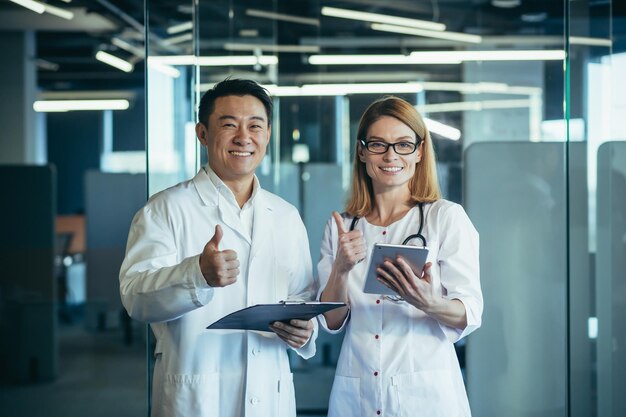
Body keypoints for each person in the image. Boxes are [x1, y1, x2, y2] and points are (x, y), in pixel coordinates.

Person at [119, 78, 318, 417]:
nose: (244, 137)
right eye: (229, 125)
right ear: (202, 134)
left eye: (255, 126)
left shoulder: (285, 216)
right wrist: (196, 274)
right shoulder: (165, 209)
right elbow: (135, 298)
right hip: (196, 398)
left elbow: (301, 298)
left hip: (270, 396)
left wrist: (304, 329)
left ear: (268, 135)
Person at [318, 96, 483, 417]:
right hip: (358, 392)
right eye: (378, 144)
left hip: (426, 395)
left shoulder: (445, 218)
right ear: (362, 152)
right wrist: (340, 269)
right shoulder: (342, 226)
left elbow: (470, 313)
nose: (391, 155)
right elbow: (331, 321)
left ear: (420, 151)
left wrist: (427, 301)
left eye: (404, 144)